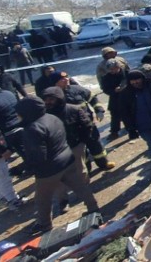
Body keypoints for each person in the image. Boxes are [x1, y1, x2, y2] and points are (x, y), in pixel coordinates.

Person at [15, 96, 99, 235]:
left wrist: (25, 168)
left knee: (42, 198)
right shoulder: (51, 117)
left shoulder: (32, 129)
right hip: (67, 159)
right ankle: (93, 208)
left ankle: (45, 224)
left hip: (49, 170)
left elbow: (38, 156)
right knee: (80, 186)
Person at [42, 87, 96, 215]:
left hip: (75, 147)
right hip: (55, 152)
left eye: (51, 99)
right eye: (45, 100)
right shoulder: (43, 114)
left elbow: (87, 125)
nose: (48, 102)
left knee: (80, 171)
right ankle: (63, 201)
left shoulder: (73, 109)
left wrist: (82, 142)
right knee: (59, 178)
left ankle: (85, 194)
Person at [51, 71, 116, 170]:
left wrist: (99, 110)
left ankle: (104, 163)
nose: (66, 80)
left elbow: (92, 98)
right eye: (62, 79)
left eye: (67, 77)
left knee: (96, 145)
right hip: (71, 129)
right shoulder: (52, 96)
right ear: (55, 82)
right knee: (80, 151)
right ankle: (86, 169)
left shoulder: (77, 89)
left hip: (87, 125)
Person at [120, 70, 151, 172]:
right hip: (143, 126)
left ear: (142, 78)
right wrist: (131, 129)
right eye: (132, 81)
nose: (135, 83)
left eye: (137, 79)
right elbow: (125, 113)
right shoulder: (126, 93)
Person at [101, 59, 134, 141]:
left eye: (115, 68)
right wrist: (114, 91)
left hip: (127, 98)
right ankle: (114, 132)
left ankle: (131, 130)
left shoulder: (127, 73)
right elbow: (105, 89)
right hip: (115, 99)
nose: (113, 71)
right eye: (111, 69)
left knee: (128, 115)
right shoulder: (106, 77)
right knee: (115, 117)